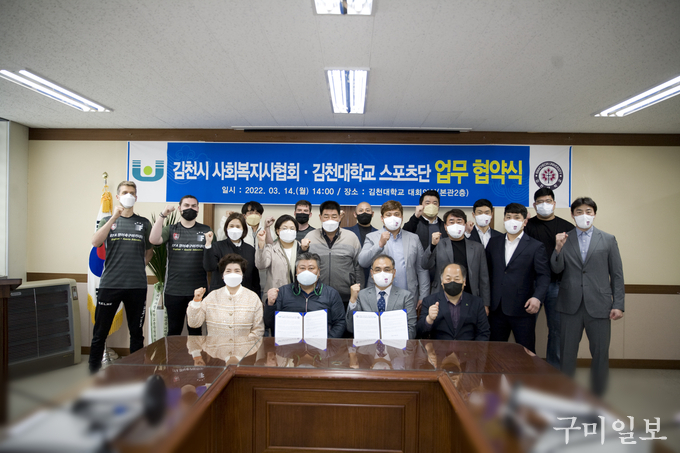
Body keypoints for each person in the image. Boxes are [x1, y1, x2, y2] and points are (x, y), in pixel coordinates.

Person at [551, 197, 624, 397]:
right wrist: (558, 247)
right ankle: (565, 393)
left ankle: (598, 394)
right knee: (567, 352)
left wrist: (618, 304)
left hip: (600, 304)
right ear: (572, 215)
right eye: (579, 212)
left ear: (594, 214)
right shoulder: (565, 238)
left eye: (588, 211)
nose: (584, 215)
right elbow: (556, 268)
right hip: (569, 304)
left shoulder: (608, 239)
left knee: (600, 353)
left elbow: (617, 274)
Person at [88, 181, 153, 373]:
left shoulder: (144, 223)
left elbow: (149, 251)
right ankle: (93, 371)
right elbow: (95, 242)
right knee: (100, 332)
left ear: (136, 197)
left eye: (132, 192)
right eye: (124, 192)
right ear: (117, 197)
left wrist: (137, 266)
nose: (128, 195)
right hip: (110, 284)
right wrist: (114, 217)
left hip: (137, 286)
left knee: (136, 333)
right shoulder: (107, 220)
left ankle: (137, 371)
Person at [486, 203, 550, 353]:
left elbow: (544, 276)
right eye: (508, 217)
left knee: (526, 352)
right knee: (494, 352)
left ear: (525, 221)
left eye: (517, 217)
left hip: (523, 308)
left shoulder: (535, 246)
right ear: (504, 219)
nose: (512, 220)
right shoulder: (494, 242)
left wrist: (537, 297)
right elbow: (486, 272)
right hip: (496, 308)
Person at [524, 187, 574, 369]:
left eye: (548, 201)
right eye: (540, 202)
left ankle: (555, 370)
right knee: (526, 329)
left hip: (557, 285)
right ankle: (526, 368)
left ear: (554, 203)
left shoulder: (567, 227)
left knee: (557, 330)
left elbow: (572, 259)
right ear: (534, 205)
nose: (544, 205)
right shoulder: (527, 226)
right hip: (531, 286)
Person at [149, 195, 212, 336]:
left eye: (193, 206)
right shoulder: (171, 229)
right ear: (179, 208)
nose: (190, 208)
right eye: (186, 205)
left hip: (198, 291)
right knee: (174, 330)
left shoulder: (206, 230)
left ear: (198, 209)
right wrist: (163, 215)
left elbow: (211, 257)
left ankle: (195, 353)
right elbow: (153, 239)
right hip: (174, 290)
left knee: (195, 331)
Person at [358, 200, 430, 310]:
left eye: (396, 214)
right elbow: (362, 262)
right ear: (382, 218)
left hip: (408, 296)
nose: (393, 218)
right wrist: (379, 244)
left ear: (402, 217)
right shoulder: (372, 237)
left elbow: (422, 269)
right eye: (388, 214)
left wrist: (423, 296)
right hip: (379, 297)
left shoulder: (413, 238)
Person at [422, 209, 490, 312]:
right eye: (451, 222)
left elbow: (484, 278)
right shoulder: (438, 244)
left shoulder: (477, 247)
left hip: (470, 297)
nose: (456, 225)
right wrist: (432, 245)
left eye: (459, 222)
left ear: (465, 225)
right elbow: (425, 265)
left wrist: (485, 304)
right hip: (441, 297)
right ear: (445, 226)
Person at [264, 252, 346, 338]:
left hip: (320, 343)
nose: (306, 272)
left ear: (318, 272)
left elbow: (340, 323)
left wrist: (328, 341)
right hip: (289, 343)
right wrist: (270, 304)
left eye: (311, 268)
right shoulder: (282, 292)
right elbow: (269, 323)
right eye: (302, 268)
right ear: (296, 271)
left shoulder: (331, 294)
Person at [188, 254, 264, 345]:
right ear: (222, 275)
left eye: (237, 271)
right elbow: (194, 323)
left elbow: (258, 330)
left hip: (244, 350)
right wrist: (196, 301)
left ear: (242, 275)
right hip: (215, 350)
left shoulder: (253, 298)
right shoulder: (212, 296)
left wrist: (244, 347)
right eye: (228, 271)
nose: (232, 274)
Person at [306, 200, 363, 308]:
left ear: (340, 217)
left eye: (334, 216)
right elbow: (303, 265)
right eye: (326, 216)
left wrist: (359, 290)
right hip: (316, 295)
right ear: (320, 217)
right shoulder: (310, 237)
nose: (330, 220)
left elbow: (358, 267)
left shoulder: (351, 237)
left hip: (346, 296)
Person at [345, 254, 417, 339]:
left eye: (387, 270)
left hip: (395, 345)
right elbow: (351, 328)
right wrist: (353, 300)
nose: (382, 273)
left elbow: (412, 331)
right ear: (372, 273)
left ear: (394, 273)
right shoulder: (362, 295)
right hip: (368, 345)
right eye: (377, 270)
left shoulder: (406, 296)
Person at [417, 263, 490, 341]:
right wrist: (429, 319)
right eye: (448, 279)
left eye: (457, 279)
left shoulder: (476, 302)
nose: (452, 282)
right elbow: (419, 332)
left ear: (464, 282)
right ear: (442, 281)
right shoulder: (430, 301)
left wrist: (475, 348)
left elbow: (484, 333)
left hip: (468, 347)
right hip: (439, 347)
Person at [203, 212, 260, 295]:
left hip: (245, 294)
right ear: (226, 228)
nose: (234, 229)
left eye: (238, 226)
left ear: (244, 229)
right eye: (231, 226)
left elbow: (255, 277)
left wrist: (257, 295)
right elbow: (209, 267)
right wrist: (208, 244)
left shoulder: (250, 249)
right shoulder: (217, 246)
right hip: (220, 293)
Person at [255, 214, 310, 294]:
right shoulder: (271, 248)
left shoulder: (302, 248)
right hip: (276, 294)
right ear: (277, 231)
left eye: (292, 228)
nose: (288, 231)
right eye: (284, 228)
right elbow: (261, 265)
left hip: (298, 294)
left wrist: (304, 250)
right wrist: (261, 244)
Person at [345, 201, 377, 285]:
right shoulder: (346, 232)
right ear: (355, 214)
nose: (364, 213)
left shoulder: (379, 234)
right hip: (353, 279)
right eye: (361, 210)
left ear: (372, 214)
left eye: (367, 210)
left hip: (374, 278)